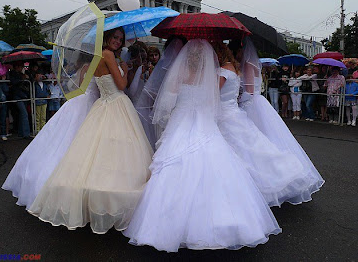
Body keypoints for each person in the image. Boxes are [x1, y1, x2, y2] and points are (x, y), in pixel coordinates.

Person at [124, 40, 281, 252]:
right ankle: (219, 222)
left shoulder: (179, 74)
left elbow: (166, 103)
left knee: (174, 168)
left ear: (186, 58)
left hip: (181, 122)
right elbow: (213, 102)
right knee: (215, 167)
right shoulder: (210, 77)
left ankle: (167, 226)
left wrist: (170, 115)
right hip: (204, 124)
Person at [28, 27, 153, 233]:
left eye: (120, 39)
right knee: (117, 153)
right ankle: (111, 201)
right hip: (116, 103)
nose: (117, 41)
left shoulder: (98, 55)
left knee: (97, 153)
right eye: (115, 37)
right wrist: (124, 66)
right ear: (107, 37)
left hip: (103, 104)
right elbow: (122, 85)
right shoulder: (108, 55)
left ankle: (95, 200)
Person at [213, 42, 317, 207]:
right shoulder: (248, 65)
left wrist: (239, 99)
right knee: (256, 140)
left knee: (249, 143)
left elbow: (249, 91)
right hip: (243, 106)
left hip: (247, 103)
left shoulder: (242, 66)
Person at [237, 38, 324, 204]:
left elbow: (248, 90)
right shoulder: (256, 65)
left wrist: (237, 95)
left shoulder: (247, 65)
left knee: (257, 141)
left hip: (251, 103)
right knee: (265, 139)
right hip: (258, 102)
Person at [2, 69, 100, 209]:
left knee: (63, 138)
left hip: (81, 101)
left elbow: (76, 86)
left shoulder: (85, 66)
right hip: (90, 103)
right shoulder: (94, 65)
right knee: (72, 139)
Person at [135, 38, 185, 149]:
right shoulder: (163, 65)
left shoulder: (181, 65)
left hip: (176, 104)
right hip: (165, 104)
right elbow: (154, 90)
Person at [8, 61, 31, 138]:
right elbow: (14, 82)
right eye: (20, 66)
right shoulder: (12, 74)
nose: (21, 68)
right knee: (24, 114)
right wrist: (22, 79)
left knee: (22, 114)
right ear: (17, 67)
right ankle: (26, 133)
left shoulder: (21, 74)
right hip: (17, 96)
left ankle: (22, 132)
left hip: (23, 95)